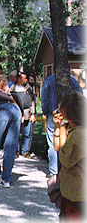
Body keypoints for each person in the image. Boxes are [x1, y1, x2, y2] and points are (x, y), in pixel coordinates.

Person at [53, 91, 86, 221]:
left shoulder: (78, 135)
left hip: (77, 195)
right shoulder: (74, 130)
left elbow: (64, 158)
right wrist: (59, 127)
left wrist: (62, 130)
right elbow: (58, 148)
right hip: (72, 192)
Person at [41, 74, 82, 178]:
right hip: (71, 115)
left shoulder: (49, 80)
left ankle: (54, 171)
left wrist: (46, 112)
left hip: (54, 113)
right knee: (63, 143)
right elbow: (79, 95)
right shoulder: (72, 79)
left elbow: (44, 99)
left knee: (53, 144)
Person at [8, 72, 36, 159]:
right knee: (15, 133)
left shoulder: (28, 89)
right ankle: (15, 151)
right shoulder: (12, 89)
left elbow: (32, 102)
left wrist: (33, 113)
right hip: (16, 113)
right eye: (24, 78)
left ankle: (25, 151)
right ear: (19, 79)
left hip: (27, 113)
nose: (26, 80)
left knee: (26, 133)